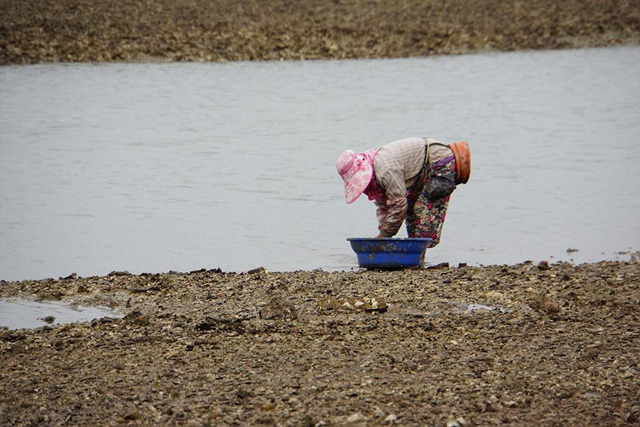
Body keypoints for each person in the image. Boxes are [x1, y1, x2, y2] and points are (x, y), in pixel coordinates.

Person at [336, 137, 470, 247]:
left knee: (422, 213)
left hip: (439, 163)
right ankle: (415, 258)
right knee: (410, 214)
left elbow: (398, 204)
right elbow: (385, 205)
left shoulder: (384, 170)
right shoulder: (377, 178)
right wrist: (382, 233)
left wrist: (385, 235)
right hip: (419, 173)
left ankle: (418, 256)